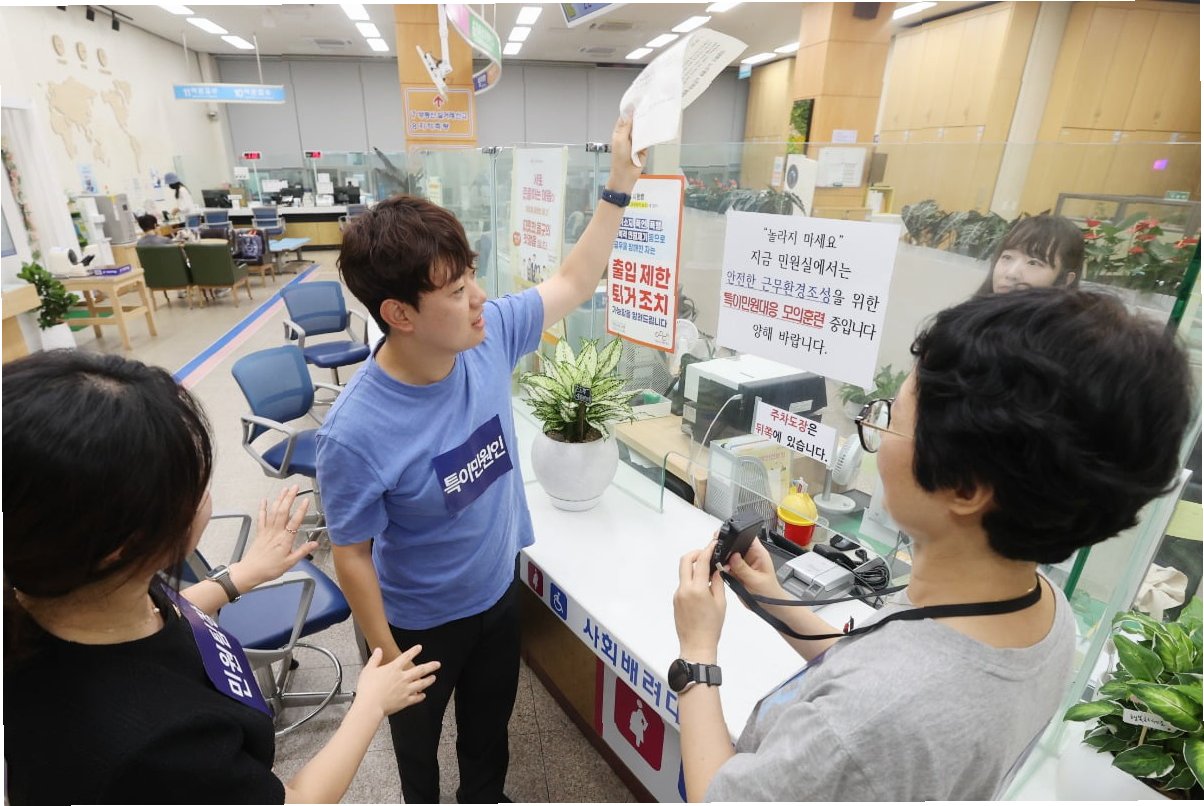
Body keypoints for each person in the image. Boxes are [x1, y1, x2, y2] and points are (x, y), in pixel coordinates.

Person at [672, 288, 1192, 802]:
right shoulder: (1043, 612)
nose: (878, 434)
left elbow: (718, 796)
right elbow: (887, 666)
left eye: (891, 419)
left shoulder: (863, 725)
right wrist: (773, 600)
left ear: (964, 487)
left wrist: (697, 654)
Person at [315, 114, 645, 803]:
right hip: (415, 623)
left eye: (472, 277)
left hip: (496, 593)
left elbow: (574, 280)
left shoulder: (487, 336)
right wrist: (386, 658)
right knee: (418, 756)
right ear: (399, 314)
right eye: (457, 290)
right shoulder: (355, 433)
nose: (480, 298)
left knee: (488, 738)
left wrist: (617, 187)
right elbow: (351, 553)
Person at [3, 350, 442, 805]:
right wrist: (370, 703)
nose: (204, 493)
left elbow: (162, 613)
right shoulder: (159, 746)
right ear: (127, 543)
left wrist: (242, 575)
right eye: (192, 484)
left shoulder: (62, 586)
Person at [976, 213, 1084, 295]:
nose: (1011, 274)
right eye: (1007, 257)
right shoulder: (972, 314)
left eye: (1033, 263)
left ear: (1065, 280)